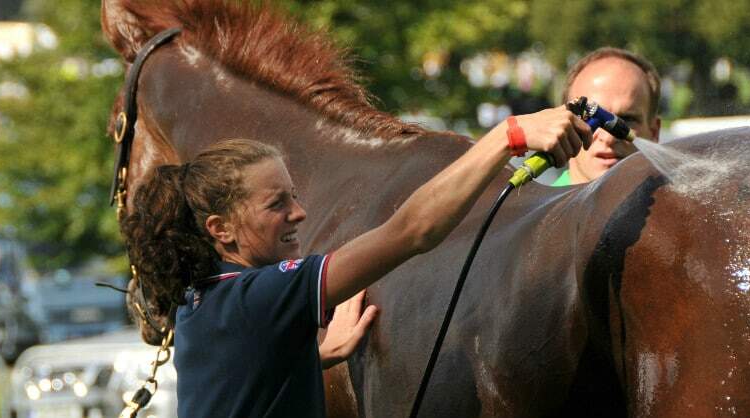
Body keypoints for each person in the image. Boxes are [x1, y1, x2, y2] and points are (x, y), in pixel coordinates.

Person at [122, 107, 588, 418]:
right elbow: (412, 231)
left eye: (296, 196)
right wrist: (506, 137)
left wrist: (315, 357)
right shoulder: (258, 295)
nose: (299, 213)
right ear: (220, 229)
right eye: (276, 204)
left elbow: (241, 377)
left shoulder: (201, 299)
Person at [552, 47, 662, 186]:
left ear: (654, 132)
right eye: (590, 116)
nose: (609, 138)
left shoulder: (679, 206)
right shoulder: (536, 208)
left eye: (627, 120)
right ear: (564, 126)